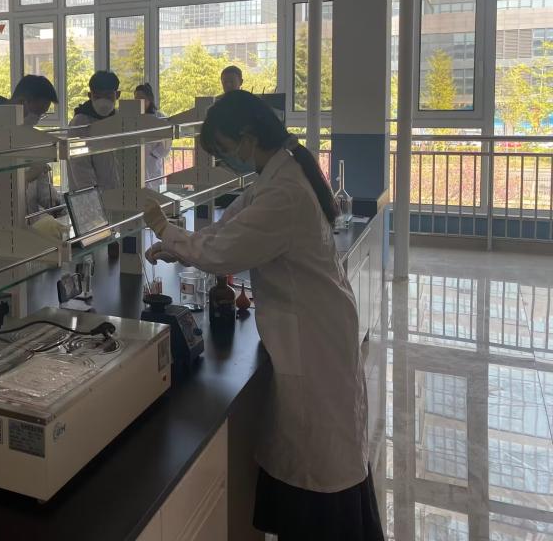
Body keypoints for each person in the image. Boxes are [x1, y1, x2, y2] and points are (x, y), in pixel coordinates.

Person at [143, 90, 381, 541]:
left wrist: (165, 230)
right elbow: (230, 227)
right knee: (315, 452)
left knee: (320, 460)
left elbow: (225, 251)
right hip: (316, 322)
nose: (223, 160)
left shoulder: (284, 191)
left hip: (314, 335)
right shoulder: (277, 173)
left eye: (223, 149)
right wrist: (181, 247)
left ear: (247, 137)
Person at [0, 75, 60, 231]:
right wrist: (28, 176)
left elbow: (41, 181)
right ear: (22, 102)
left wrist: (53, 201)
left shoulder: (27, 133)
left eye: (41, 115)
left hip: (26, 225)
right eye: (37, 113)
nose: (37, 119)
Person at [67, 70, 121, 191]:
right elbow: (80, 167)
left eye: (108, 96)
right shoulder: (79, 124)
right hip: (89, 194)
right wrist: (94, 196)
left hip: (116, 193)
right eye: (97, 96)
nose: (103, 101)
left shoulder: (119, 119)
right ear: (89, 95)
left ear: (117, 95)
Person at [134, 82, 168, 184]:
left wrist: (153, 156)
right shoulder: (132, 118)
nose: (138, 102)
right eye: (136, 98)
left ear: (149, 99)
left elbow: (166, 143)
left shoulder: (160, 117)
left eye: (141, 98)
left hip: (152, 163)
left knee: (153, 189)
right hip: (135, 163)